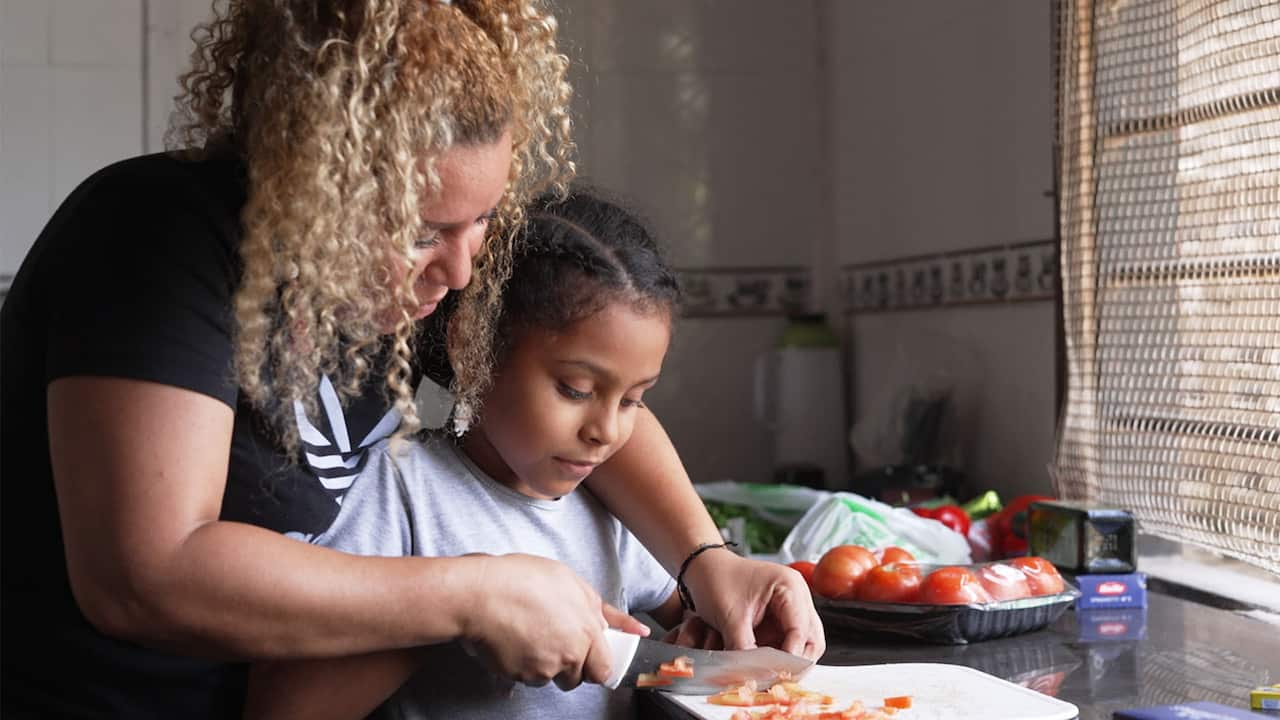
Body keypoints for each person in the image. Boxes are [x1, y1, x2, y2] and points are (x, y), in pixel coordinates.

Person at [0, 1, 823, 718]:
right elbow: (145, 575)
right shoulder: (154, 236)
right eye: (421, 231)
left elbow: (573, 393)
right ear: (315, 182)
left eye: (482, 222)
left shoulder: (418, 284)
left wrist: (708, 560)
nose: (462, 272)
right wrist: (472, 594)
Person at [247, 188, 689, 720]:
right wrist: (458, 621)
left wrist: (722, 620)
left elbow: (691, 628)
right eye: (574, 389)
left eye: (634, 400)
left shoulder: (610, 502)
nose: (607, 431)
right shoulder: (399, 491)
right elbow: (285, 708)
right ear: (471, 345)